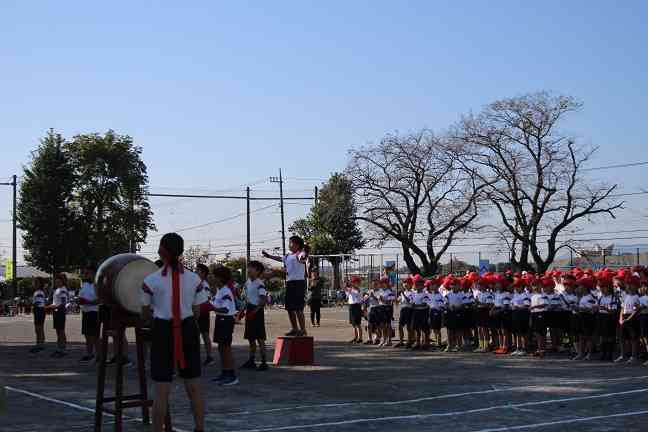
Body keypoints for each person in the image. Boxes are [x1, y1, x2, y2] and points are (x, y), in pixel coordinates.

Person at [141, 232, 207, 432]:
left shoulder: (151, 280)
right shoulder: (195, 279)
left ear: (162, 250)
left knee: (161, 391)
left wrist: (155, 322)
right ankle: (200, 428)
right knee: (194, 388)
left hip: (162, 330)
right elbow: (197, 310)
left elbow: (144, 312)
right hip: (188, 329)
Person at [263, 236, 308, 336]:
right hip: (289, 283)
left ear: (297, 245)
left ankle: (303, 330)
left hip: (298, 283)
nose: (289, 244)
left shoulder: (300, 254)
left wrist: (305, 252)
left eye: (291, 243)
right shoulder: (288, 256)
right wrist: (269, 256)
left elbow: (303, 257)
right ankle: (294, 329)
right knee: (289, 308)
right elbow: (280, 258)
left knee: (298, 309)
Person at [209, 266, 239, 385]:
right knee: (221, 348)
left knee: (226, 348)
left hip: (225, 320)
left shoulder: (226, 291)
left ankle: (231, 375)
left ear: (220, 278)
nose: (212, 278)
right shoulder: (220, 291)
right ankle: (225, 372)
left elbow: (226, 309)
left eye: (214, 276)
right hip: (220, 319)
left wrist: (211, 307)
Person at [240, 260, 269, 371]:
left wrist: (254, 312)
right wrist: (243, 311)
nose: (248, 270)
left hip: (257, 312)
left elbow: (263, 300)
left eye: (251, 268)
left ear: (257, 271)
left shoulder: (259, 283)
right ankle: (251, 361)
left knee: (260, 338)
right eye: (248, 268)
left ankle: (264, 362)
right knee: (250, 338)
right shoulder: (247, 283)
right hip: (249, 310)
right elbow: (246, 299)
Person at [616, 276, 640, 364]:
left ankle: (634, 356)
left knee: (633, 338)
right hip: (624, 317)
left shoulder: (637, 297)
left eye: (631, 285)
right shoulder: (625, 296)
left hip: (632, 318)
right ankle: (623, 355)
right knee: (622, 337)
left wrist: (628, 319)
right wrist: (621, 318)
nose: (629, 286)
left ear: (636, 286)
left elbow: (636, 310)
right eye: (628, 284)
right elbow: (622, 308)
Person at [79, 265, 100, 362]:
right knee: (87, 335)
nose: (85, 275)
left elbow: (100, 299)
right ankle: (89, 354)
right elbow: (81, 296)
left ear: (94, 274)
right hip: (86, 312)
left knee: (95, 335)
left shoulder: (98, 285)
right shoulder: (85, 284)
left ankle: (99, 355)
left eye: (88, 273)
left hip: (94, 312)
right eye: (85, 273)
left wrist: (88, 302)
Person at [195, 264, 214, 366]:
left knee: (205, 334)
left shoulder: (204, 285)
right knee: (197, 334)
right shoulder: (197, 283)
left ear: (203, 273)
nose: (195, 272)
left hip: (203, 312)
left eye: (197, 270)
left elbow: (206, 299)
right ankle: (197, 356)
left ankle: (209, 356)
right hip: (197, 311)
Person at [47, 274, 69, 358]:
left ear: (62, 281)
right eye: (56, 281)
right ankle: (59, 348)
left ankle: (63, 349)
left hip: (60, 311)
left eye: (58, 281)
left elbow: (63, 303)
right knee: (58, 331)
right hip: (56, 312)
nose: (56, 282)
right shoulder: (57, 290)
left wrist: (54, 307)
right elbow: (55, 302)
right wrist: (50, 306)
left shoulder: (62, 290)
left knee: (61, 331)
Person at [511, 277, 531, 356]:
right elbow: (512, 303)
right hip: (515, 314)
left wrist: (518, 307)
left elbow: (527, 306)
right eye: (515, 286)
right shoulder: (515, 295)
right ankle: (518, 348)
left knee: (523, 333)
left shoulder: (525, 295)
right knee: (517, 333)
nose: (515, 288)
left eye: (517, 286)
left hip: (523, 315)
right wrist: (513, 306)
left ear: (521, 287)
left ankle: (524, 348)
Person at [29, 278, 47, 353]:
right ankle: (41, 344)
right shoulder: (39, 292)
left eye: (35, 282)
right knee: (40, 328)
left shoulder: (39, 292)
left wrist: (31, 304)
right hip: (40, 310)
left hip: (39, 310)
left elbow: (39, 303)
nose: (34, 284)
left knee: (38, 329)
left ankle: (39, 345)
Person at [346, 275, 363, 344]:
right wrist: (347, 287)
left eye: (355, 282)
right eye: (352, 282)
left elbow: (356, 294)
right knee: (353, 324)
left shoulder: (358, 290)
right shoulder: (351, 289)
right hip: (351, 306)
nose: (353, 283)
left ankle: (360, 338)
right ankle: (355, 337)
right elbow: (347, 293)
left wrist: (349, 289)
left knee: (358, 323)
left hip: (356, 306)